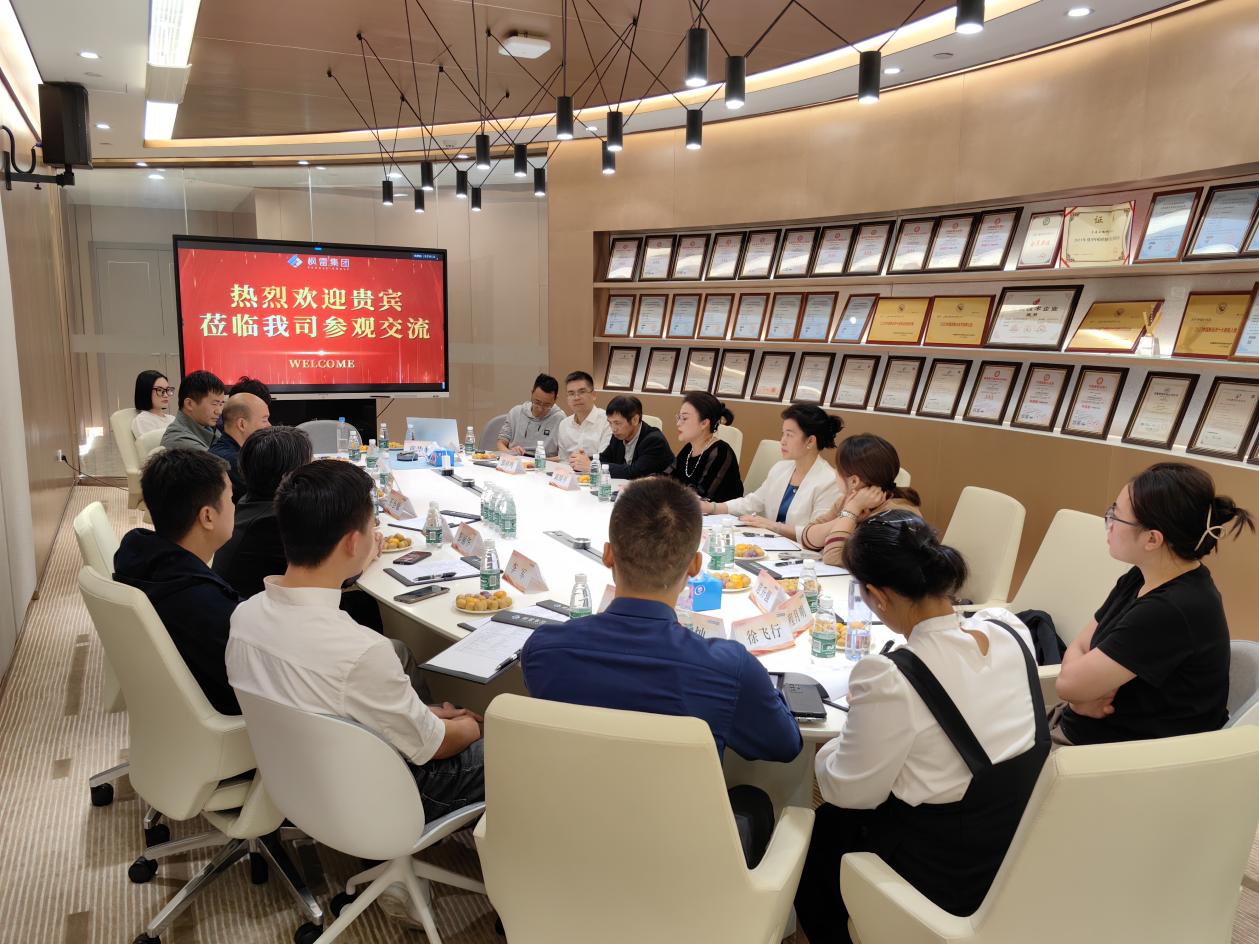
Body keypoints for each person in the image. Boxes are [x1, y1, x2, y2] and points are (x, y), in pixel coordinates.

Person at [795, 511, 1048, 943]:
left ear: (878, 597)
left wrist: (840, 737)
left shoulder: (890, 678)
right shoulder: (1010, 630)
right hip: (1015, 850)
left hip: (942, 874)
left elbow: (849, 790)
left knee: (822, 834)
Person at [521, 477, 801, 866]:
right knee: (752, 800)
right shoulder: (729, 669)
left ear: (607, 555)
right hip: (678, 861)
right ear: (696, 566)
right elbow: (785, 746)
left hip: (569, 843)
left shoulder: (544, 651)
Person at [226, 460, 483, 816]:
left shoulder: (245, 616)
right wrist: (471, 727)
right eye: (372, 525)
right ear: (352, 542)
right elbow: (434, 746)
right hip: (378, 799)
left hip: (299, 780)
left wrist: (424, 715)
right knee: (510, 745)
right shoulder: (362, 652)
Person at [1053, 462, 1253, 746]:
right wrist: (1079, 698)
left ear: (1152, 538)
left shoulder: (1172, 609)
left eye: (1116, 516)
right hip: (1080, 730)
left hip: (1112, 757)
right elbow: (1080, 646)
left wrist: (1078, 694)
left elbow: (1068, 684)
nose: (1109, 523)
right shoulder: (1143, 576)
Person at [113, 448, 240, 715]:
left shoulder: (140, 556)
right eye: (230, 498)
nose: (234, 507)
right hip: (227, 715)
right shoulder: (203, 603)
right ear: (207, 516)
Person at [703, 403, 843, 541]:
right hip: (771, 544)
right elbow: (751, 503)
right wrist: (711, 507)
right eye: (783, 434)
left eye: (789, 435)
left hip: (803, 552)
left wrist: (772, 526)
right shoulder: (780, 468)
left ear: (811, 441)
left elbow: (816, 533)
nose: (782, 441)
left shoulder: (829, 481)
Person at [212, 425, 313, 598]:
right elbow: (340, 573)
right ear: (290, 475)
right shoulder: (276, 523)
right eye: (309, 464)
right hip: (259, 610)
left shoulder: (250, 502)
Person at [800, 434, 920, 567]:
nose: (834, 472)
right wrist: (849, 517)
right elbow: (807, 539)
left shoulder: (894, 514)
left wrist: (851, 511)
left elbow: (833, 557)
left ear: (854, 481)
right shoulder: (847, 500)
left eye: (837, 469)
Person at [663, 391, 743, 502]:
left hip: (720, 513)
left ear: (704, 423)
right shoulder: (689, 448)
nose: (678, 424)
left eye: (684, 418)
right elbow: (666, 477)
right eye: (679, 417)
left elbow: (702, 496)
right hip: (688, 509)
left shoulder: (721, 452)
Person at [569, 394, 673, 479]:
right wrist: (583, 460)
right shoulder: (618, 436)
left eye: (617, 423)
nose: (613, 429)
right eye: (610, 423)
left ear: (635, 420)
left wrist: (592, 466)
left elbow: (634, 472)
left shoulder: (654, 440)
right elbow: (606, 457)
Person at [209, 392, 271, 501]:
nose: (269, 426)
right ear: (242, 424)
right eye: (264, 420)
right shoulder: (235, 462)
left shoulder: (228, 452)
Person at [495, 373, 565, 455]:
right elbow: (500, 443)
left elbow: (563, 456)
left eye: (547, 405)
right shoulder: (516, 413)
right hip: (516, 458)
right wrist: (510, 452)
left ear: (555, 399)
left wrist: (541, 460)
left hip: (545, 461)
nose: (540, 409)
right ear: (532, 393)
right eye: (537, 402)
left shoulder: (561, 419)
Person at [553, 370, 611, 463]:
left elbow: (605, 459)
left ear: (594, 395)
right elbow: (563, 460)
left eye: (582, 392)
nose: (576, 398)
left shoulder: (607, 421)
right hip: (568, 471)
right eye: (571, 393)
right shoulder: (564, 424)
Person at [161, 370, 226, 451]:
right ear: (189, 404)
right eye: (214, 404)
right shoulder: (180, 441)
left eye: (221, 404)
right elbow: (219, 459)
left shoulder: (206, 426)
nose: (219, 411)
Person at [130, 369, 176, 438]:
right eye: (160, 390)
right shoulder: (143, 420)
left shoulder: (172, 419)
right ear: (146, 391)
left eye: (167, 390)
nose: (166, 395)